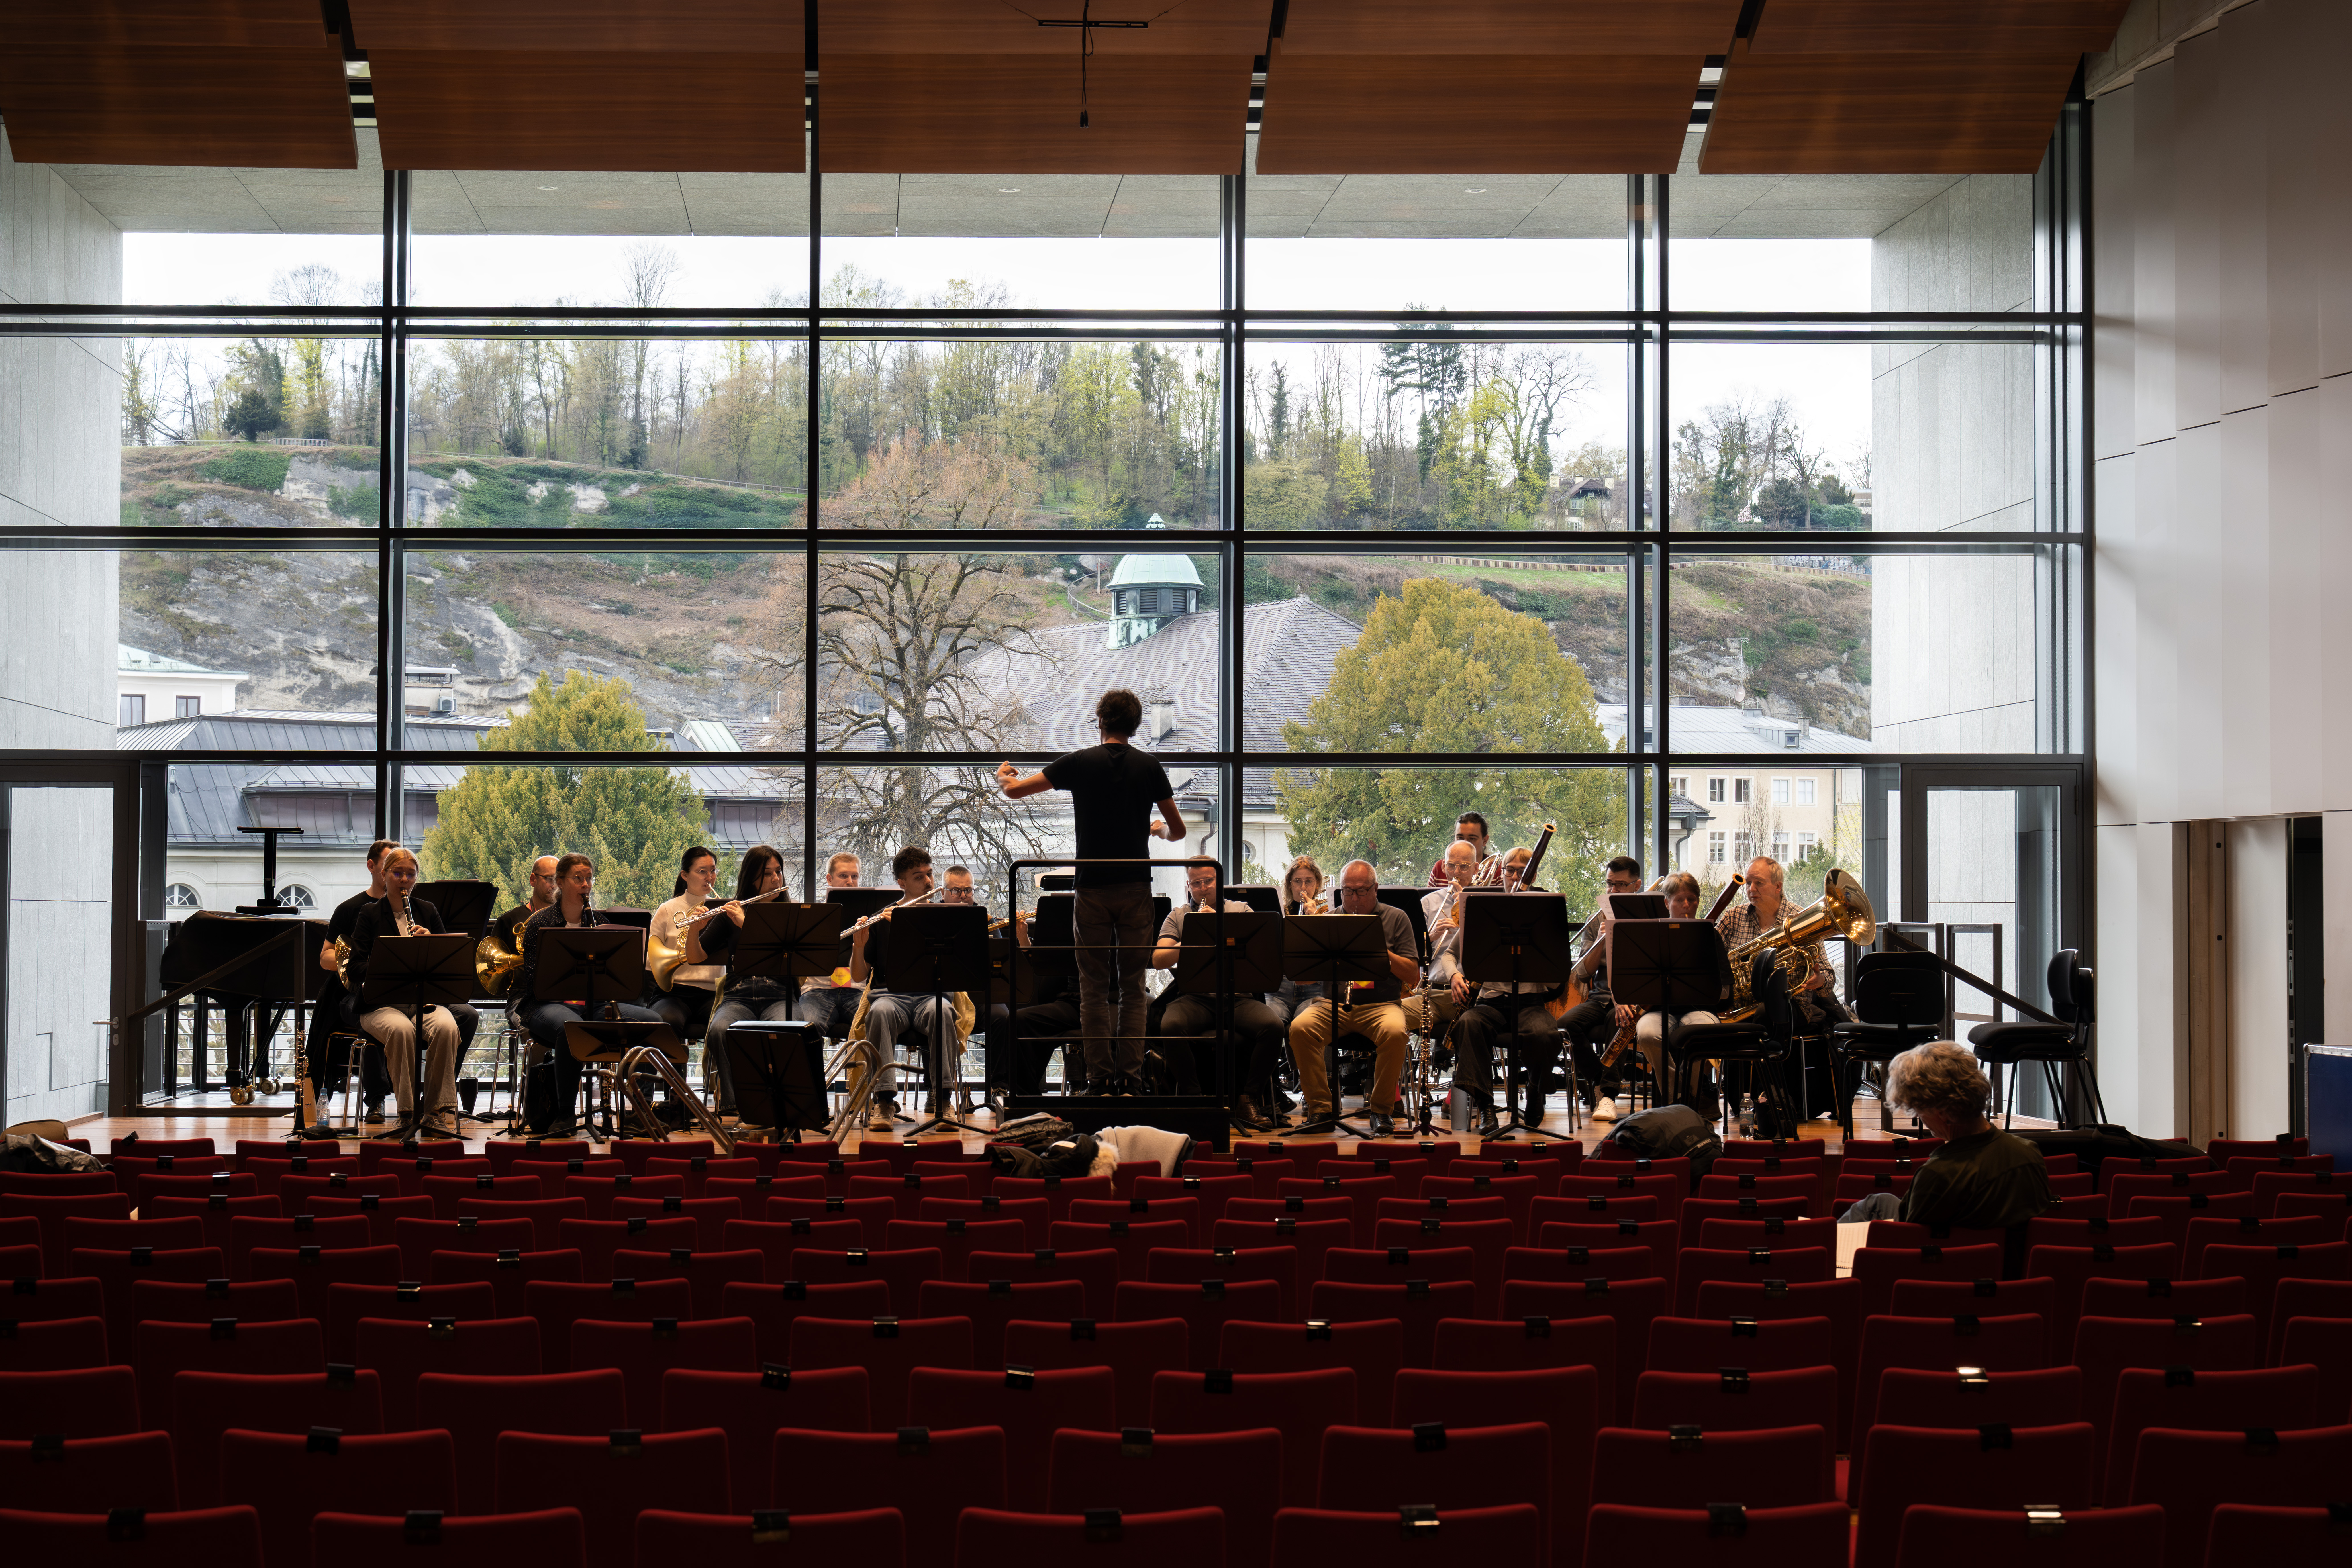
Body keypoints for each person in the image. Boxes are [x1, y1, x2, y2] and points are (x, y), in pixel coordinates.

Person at [997, 688, 1185, 1094]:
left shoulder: (1080, 762)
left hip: (1093, 890)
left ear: (1100, 721)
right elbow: (1179, 830)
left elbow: (1015, 791)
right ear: (1135, 726)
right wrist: (1160, 832)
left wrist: (1004, 777)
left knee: (1093, 991)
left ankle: (1100, 1082)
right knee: (1134, 990)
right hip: (1136, 888)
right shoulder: (1150, 766)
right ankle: (1131, 1081)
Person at [1841, 1042, 2057, 1265]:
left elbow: (1911, 1249)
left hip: (1950, 1277)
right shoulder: (2028, 1154)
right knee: (1880, 1202)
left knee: (1871, 1208)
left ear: (1944, 1113)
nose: (1921, 1120)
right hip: (2007, 1272)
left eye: (1919, 1110)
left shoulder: (1938, 1175)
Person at [515, 852, 667, 1136]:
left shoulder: (599, 921)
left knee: (652, 1021)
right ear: (560, 881)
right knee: (570, 1027)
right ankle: (565, 1114)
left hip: (593, 1005)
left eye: (589, 878)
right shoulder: (540, 923)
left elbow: (618, 978)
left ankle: (641, 1110)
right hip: (545, 1005)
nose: (586, 884)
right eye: (578, 878)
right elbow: (537, 982)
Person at [1287, 859, 1421, 1136]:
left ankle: (1382, 1110)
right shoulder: (1329, 920)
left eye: (1361, 890)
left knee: (1396, 1032)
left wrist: (1378, 947)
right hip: (1331, 1003)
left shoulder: (1397, 919)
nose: (1355, 897)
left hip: (1381, 1004)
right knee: (1300, 1029)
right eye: (1348, 891)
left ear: (1375, 889)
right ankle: (1321, 1110)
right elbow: (1302, 979)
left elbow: (1413, 976)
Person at [1151, 859, 1285, 1129]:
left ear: (1219, 882)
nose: (1202, 889)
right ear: (1188, 886)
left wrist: (1219, 926)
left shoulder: (1240, 910)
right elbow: (1159, 959)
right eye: (1196, 884)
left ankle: (1249, 1099)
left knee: (1274, 1027)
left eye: (1208, 882)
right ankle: (1194, 1099)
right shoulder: (1178, 916)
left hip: (1238, 996)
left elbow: (1261, 951)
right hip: (1195, 997)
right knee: (1170, 1025)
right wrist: (1195, 932)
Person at [1452, 843, 1575, 1134]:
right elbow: (1451, 952)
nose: (1515, 876)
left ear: (1533, 874)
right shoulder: (1484, 909)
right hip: (1491, 1004)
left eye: (1522, 871)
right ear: (1501, 872)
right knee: (1468, 1024)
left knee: (1546, 1034)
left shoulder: (1546, 911)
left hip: (1531, 1003)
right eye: (1510, 870)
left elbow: (1557, 977)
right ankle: (1485, 1107)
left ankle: (1535, 1088)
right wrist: (1456, 974)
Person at [848, 846, 971, 1130]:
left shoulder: (945, 916)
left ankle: (943, 1100)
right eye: (919, 877)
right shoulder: (883, 917)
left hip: (933, 995)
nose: (929, 882)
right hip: (891, 996)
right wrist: (859, 945)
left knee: (943, 1012)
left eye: (930, 874)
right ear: (902, 882)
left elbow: (958, 965)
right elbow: (858, 975)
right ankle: (884, 1101)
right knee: (879, 1012)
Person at [345, 847, 465, 1140]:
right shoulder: (370, 913)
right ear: (384, 875)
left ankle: (434, 1112)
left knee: (448, 1026)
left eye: (410, 874)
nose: (404, 880)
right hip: (380, 1003)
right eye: (398, 873)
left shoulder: (428, 911)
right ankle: (407, 1113)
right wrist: (389, 957)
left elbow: (448, 960)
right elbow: (354, 967)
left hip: (423, 998)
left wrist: (432, 943)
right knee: (400, 1031)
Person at [1719, 855, 1849, 1116]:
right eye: (1748, 883)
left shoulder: (1800, 918)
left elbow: (1828, 976)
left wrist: (1818, 981)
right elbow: (1707, 955)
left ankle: (1769, 1099)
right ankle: (1754, 1099)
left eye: (1759, 883)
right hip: (1740, 1007)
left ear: (1778, 887)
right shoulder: (1733, 917)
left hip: (1794, 1006)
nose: (1751, 890)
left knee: (1767, 1014)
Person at [303, 837, 399, 1132]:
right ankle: (376, 1101)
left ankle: (430, 1101)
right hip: (351, 993)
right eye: (388, 866)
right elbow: (325, 957)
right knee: (370, 1015)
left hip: (397, 992)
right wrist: (359, 960)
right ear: (372, 867)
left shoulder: (409, 910)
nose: (394, 873)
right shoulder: (351, 909)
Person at [696, 845, 795, 1114]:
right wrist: (695, 930)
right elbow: (696, 956)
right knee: (720, 1030)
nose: (777, 879)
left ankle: (778, 1105)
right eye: (768, 874)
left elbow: (791, 960)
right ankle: (732, 1106)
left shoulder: (790, 915)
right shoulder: (732, 912)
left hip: (778, 993)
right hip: (738, 993)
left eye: (779, 872)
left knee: (787, 1031)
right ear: (752, 878)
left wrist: (747, 926)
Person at [1621, 870, 1723, 1109]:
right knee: (1646, 1034)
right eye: (1679, 900)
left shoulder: (1711, 936)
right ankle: (1679, 1098)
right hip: (1658, 1011)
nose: (1687, 905)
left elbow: (1724, 989)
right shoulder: (1650, 937)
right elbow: (1637, 982)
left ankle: (1690, 1098)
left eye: (1692, 899)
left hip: (1700, 1010)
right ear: (1667, 903)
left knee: (1703, 1033)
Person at [1555, 855, 1644, 1121]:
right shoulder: (1597, 920)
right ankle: (1598, 1082)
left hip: (1633, 995)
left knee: (1619, 1021)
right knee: (1567, 1024)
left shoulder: (1646, 916)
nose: (1612, 891)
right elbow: (1583, 973)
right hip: (1601, 994)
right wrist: (1603, 940)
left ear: (1637, 885)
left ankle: (1609, 1096)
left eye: (1620, 885)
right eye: (1609, 884)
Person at [648, 846, 730, 1116]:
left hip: (712, 993)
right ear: (685, 875)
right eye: (702, 871)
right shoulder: (668, 909)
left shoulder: (725, 911)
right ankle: (675, 1098)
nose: (710, 877)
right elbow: (652, 961)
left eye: (713, 871)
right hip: (675, 992)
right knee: (666, 1022)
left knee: (730, 1026)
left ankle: (725, 1097)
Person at [796, 851, 865, 1041]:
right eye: (844, 876)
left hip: (857, 990)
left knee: (876, 1025)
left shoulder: (868, 918)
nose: (850, 882)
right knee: (806, 1029)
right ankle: (813, 1073)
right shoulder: (813, 915)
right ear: (829, 879)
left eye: (855, 876)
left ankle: (866, 1072)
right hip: (818, 991)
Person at [1425, 812, 1494, 886]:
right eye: (1460, 838)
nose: (1465, 844)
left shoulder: (1497, 870)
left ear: (1485, 841)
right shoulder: (1439, 868)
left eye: (1472, 839)